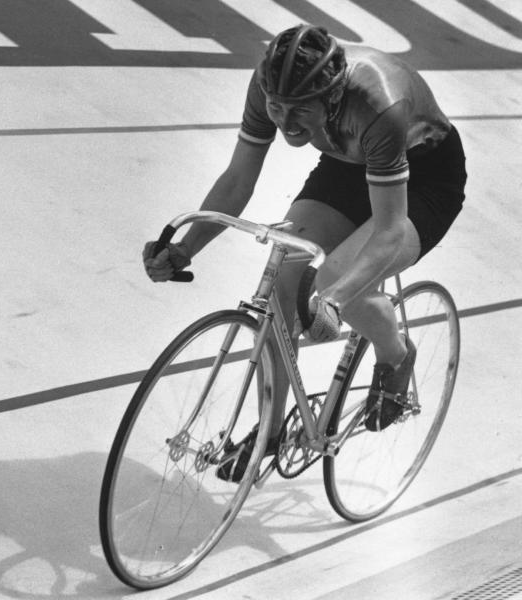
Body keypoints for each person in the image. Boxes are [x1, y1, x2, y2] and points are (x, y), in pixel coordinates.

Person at [142, 24, 466, 481]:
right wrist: (184, 248)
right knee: (282, 281)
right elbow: (238, 179)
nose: (286, 122)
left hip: (424, 176)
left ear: (332, 97)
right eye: (277, 107)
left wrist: (334, 297)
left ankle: (396, 354)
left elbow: (390, 231)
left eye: (300, 111)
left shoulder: (380, 105)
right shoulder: (266, 85)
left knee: (336, 282)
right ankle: (268, 436)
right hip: (348, 163)